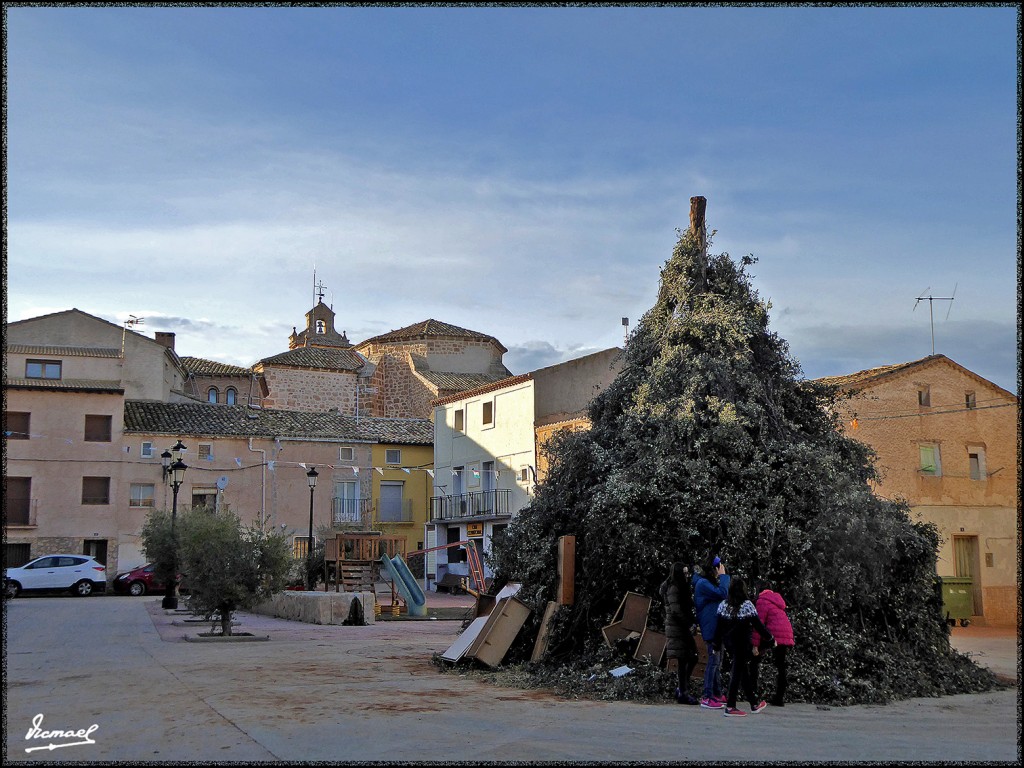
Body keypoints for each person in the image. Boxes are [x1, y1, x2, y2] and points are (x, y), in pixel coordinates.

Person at [714, 576, 774, 717]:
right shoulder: (747, 605)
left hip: (729, 643)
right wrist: (770, 638)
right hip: (741, 644)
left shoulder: (723, 605)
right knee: (736, 673)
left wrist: (716, 644)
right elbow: (758, 626)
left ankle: (754, 703)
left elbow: (718, 628)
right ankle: (730, 706)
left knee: (743, 672)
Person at [692, 555, 730, 709]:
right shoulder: (703, 584)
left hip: (716, 627)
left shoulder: (705, 583)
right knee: (713, 662)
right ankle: (707, 697)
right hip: (711, 628)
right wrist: (724, 576)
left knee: (717, 662)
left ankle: (717, 693)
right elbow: (723, 593)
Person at [660, 561, 699, 704]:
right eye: (684, 572)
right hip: (678, 627)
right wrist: (689, 623)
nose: (687, 575)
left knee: (690, 657)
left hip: (680, 626)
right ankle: (683, 691)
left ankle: (682, 689)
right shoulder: (674, 588)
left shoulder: (679, 587)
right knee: (686, 658)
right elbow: (676, 610)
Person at [751, 580, 795, 707]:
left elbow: (758, 625)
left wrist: (755, 645)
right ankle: (779, 697)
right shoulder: (777, 600)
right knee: (781, 666)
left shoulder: (761, 601)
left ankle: (753, 691)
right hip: (786, 634)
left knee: (755, 659)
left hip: (774, 634)